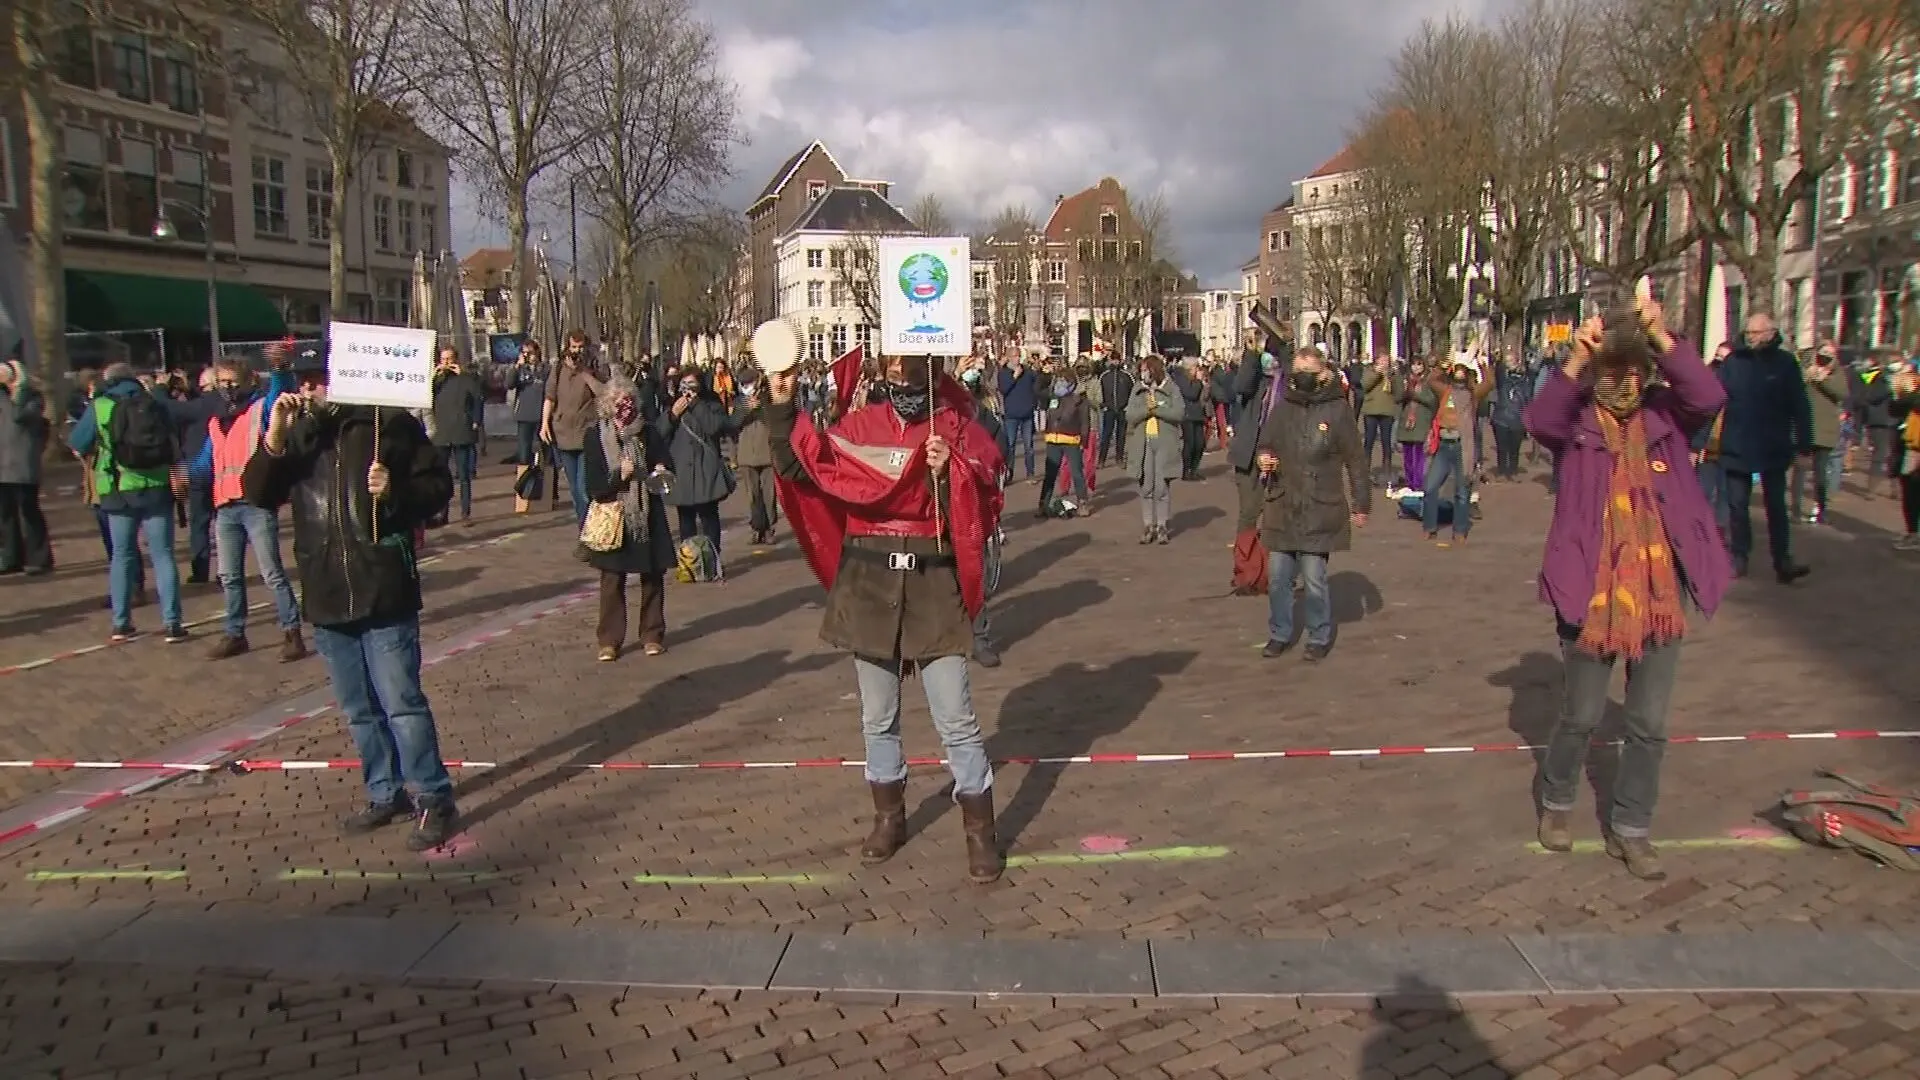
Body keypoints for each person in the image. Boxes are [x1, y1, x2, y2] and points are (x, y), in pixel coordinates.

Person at [766, 352, 1007, 883]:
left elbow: (987, 499)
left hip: (932, 584)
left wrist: (952, 475)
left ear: (933, 369)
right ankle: (888, 817)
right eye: (893, 370)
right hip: (871, 582)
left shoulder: (957, 428)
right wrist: (781, 402)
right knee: (878, 715)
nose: (901, 379)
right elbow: (804, 467)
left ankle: (979, 830)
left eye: (911, 368)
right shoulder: (860, 427)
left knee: (956, 718)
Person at [1524, 298, 1729, 881]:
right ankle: (1558, 801)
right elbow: (1539, 421)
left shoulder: (1665, 420)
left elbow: (1709, 397)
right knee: (1582, 715)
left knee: (1649, 724)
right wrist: (1575, 360)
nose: (1631, 382)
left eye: (1639, 370)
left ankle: (1633, 828)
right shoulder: (1578, 425)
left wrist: (1662, 336)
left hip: (1662, 591)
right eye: (1619, 372)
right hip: (1590, 589)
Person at [242, 341, 458, 850]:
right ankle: (385, 791)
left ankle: (433, 795)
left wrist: (396, 493)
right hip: (325, 587)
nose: (309, 389)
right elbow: (257, 493)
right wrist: (274, 435)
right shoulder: (299, 436)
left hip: (381, 583)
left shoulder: (387, 425)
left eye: (319, 379)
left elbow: (438, 488)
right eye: (303, 380)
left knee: (401, 701)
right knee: (358, 706)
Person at [1253, 346, 1370, 660]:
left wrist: (1362, 504)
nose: (1302, 377)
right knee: (1278, 577)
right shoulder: (1283, 407)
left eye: (1308, 370)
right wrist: (1265, 458)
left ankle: (1318, 635)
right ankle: (1279, 631)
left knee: (1314, 576)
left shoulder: (1337, 409)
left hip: (1320, 504)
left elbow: (1355, 460)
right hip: (1283, 502)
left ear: (1322, 372)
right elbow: (1266, 442)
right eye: (1298, 370)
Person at [188, 359, 307, 661]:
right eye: (221, 383)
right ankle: (235, 633)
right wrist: (184, 475)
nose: (226, 388)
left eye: (232, 381)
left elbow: (278, 397)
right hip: (225, 507)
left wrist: (280, 368)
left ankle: (292, 632)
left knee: (272, 573)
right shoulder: (216, 422)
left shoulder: (257, 410)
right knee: (229, 575)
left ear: (248, 381)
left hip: (255, 502)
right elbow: (207, 462)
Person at [68, 361, 186, 643]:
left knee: (122, 555)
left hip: (118, 488)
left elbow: (77, 442)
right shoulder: (155, 403)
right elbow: (174, 443)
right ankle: (172, 623)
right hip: (156, 484)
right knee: (163, 554)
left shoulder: (101, 406)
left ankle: (121, 622)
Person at [580, 369, 675, 660]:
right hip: (614, 514)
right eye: (620, 402)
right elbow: (594, 487)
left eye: (630, 401)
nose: (626, 408)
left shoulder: (648, 431)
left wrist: (660, 470)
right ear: (608, 405)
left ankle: (652, 633)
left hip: (647, 511)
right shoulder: (596, 436)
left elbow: (666, 465)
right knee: (611, 578)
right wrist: (619, 477)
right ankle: (609, 639)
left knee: (652, 575)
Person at [1717, 312, 1812, 583]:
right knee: (1737, 506)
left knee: (1775, 506)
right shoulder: (1733, 363)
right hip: (1737, 444)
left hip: (1773, 444)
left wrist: (1804, 444)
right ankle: (1739, 558)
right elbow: (1713, 401)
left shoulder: (1785, 363)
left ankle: (1782, 560)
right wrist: (1699, 441)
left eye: (1757, 333)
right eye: (1748, 333)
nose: (1751, 338)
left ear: (1771, 333)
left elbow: (1799, 405)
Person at [654, 367, 735, 569]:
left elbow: (715, 428)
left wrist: (696, 405)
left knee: (709, 517)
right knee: (686, 519)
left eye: (692, 384)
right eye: (684, 384)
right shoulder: (672, 403)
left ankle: (713, 560)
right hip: (681, 468)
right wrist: (673, 414)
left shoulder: (711, 402)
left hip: (705, 468)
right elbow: (659, 433)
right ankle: (689, 562)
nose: (688, 389)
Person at [1414, 360, 1489, 546]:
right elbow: (1431, 381)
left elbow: (1489, 383)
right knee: (1430, 487)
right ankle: (1429, 527)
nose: (1459, 375)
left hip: (1462, 447)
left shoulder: (1473, 395)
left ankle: (1460, 530)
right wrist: (1441, 366)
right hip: (1443, 446)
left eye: (1463, 372)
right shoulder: (1445, 391)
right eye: (1457, 371)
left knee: (1462, 492)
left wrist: (1484, 366)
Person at [541, 331, 604, 527]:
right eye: (573, 347)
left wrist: (584, 372)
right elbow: (550, 397)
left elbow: (603, 392)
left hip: (586, 432)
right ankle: (583, 527)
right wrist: (544, 424)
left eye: (580, 347)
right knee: (575, 489)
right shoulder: (558, 368)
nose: (576, 351)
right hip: (563, 433)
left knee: (584, 487)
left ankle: (589, 528)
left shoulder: (595, 366)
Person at [1125, 354, 1186, 544]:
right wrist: (1147, 410)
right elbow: (1130, 415)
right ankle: (1147, 525)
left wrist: (1158, 410)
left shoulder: (1171, 388)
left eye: (1146, 370)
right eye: (1142, 370)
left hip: (1164, 443)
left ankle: (1161, 526)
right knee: (1146, 485)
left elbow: (1179, 413)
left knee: (1161, 486)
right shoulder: (1137, 389)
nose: (1143, 373)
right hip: (1144, 443)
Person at [0, 360, 52, 575]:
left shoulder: (32, 398)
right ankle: (10, 557)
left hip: (23, 465)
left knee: (28, 512)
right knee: (4, 515)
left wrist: (19, 390)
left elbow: (19, 416)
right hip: (2, 465)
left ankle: (39, 558)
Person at [428, 346, 487, 525]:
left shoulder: (467, 378)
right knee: (441, 475)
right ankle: (441, 513)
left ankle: (465, 512)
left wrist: (463, 375)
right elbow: (425, 394)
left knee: (464, 475)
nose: (447, 363)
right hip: (442, 431)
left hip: (462, 430)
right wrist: (434, 375)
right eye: (444, 359)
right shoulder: (437, 380)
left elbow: (478, 396)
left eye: (450, 359)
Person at [731, 360, 780, 546]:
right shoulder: (738, 402)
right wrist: (746, 409)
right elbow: (732, 425)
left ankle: (769, 528)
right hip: (745, 454)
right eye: (743, 384)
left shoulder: (768, 399)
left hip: (767, 452)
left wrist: (760, 407)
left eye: (749, 383)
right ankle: (756, 527)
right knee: (752, 495)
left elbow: (774, 422)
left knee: (769, 494)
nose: (747, 387)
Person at [1035, 364, 1090, 516]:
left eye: (1063, 380)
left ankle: (1083, 502)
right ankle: (1043, 505)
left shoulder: (1080, 399)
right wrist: (1042, 374)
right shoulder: (1053, 396)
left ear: (1071, 382)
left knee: (1077, 473)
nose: (1060, 383)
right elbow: (1037, 391)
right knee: (1050, 474)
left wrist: (1083, 442)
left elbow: (1085, 422)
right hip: (1053, 439)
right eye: (1058, 379)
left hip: (1072, 440)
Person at [509, 340, 548, 467]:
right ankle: (524, 477)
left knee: (541, 450)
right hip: (524, 415)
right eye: (524, 353)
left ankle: (542, 477)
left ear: (537, 352)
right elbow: (509, 384)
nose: (527, 356)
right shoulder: (520, 369)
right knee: (524, 450)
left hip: (540, 414)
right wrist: (517, 367)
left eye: (530, 352)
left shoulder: (545, 369)